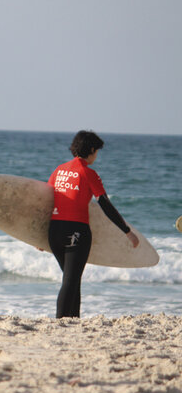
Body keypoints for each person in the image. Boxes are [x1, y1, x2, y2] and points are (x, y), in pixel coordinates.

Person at [47, 130, 139, 318]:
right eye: (96, 151)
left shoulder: (59, 170)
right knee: (70, 281)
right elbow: (105, 204)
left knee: (72, 278)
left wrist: (36, 236)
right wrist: (127, 231)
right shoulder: (88, 173)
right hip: (76, 233)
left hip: (54, 231)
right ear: (91, 150)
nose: (96, 156)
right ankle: (60, 322)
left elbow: (45, 201)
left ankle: (73, 319)